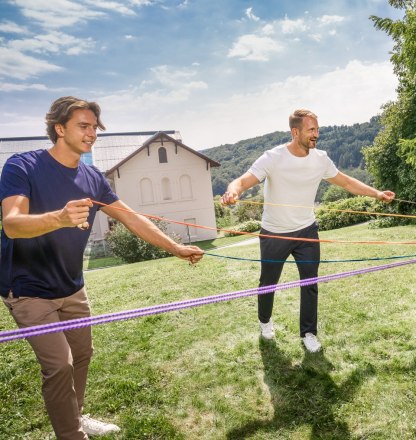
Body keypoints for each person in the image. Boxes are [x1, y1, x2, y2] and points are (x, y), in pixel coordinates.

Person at [0, 96, 204, 439]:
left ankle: (76, 416)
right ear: (59, 128)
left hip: (71, 286)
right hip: (27, 289)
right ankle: (70, 434)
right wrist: (59, 218)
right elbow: (12, 224)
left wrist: (175, 247)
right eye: (84, 126)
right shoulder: (23, 166)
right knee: (59, 364)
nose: (92, 133)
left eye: (95, 127)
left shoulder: (92, 177)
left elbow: (131, 218)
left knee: (81, 354)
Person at [221, 109, 395, 353]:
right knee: (268, 282)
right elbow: (242, 181)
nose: (317, 134)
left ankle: (309, 333)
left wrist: (376, 193)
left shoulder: (321, 159)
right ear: (295, 132)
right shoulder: (273, 158)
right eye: (311, 130)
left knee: (311, 282)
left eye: (317, 129)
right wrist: (232, 191)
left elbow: (346, 182)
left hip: (306, 232)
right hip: (274, 233)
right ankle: (265, 321)